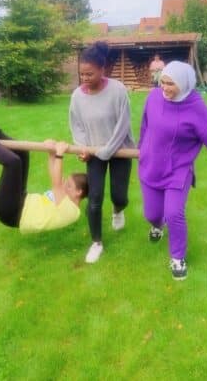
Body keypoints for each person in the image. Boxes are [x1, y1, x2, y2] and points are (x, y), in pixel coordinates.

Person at [137, 61, 207, 280]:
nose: (164, 88)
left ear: (184, 83)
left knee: (174, 214)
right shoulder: (153, 97)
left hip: (178, 170)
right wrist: (142, 149)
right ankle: (157, 226)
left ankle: (177, 258)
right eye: (162, 82)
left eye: (170, 84)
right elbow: (145, 125)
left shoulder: (196, 108)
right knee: (152, 214)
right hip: (151, 166)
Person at [0, 102, 88, 232]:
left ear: (78, 192)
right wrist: (51, 153)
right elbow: (54, 176)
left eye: (69, 185)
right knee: (22, 152)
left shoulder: (71, 212)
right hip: (21, 199)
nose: (64, 186)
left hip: (11, 212)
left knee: (13, 163)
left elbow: (56, 184)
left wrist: (59, 154)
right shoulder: (66, 199)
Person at [69, 41, 135, 263]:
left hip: (120, 150)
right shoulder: (77, 96)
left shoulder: (117, 90)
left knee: (119, 196)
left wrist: (107, 150)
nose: (85, 78)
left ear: (102, 70)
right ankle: (96, 243)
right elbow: (76, 125)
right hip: (94, 152)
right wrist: (83, 147)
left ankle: (118, 210)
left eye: (90, 74)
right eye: (82, 74)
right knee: (95, 198)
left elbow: (123, 125)